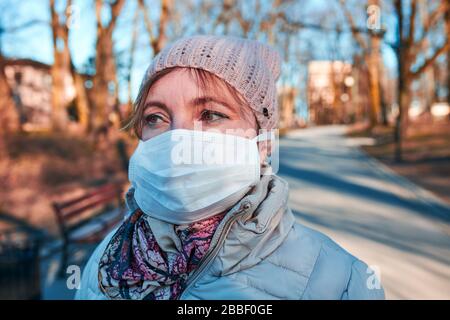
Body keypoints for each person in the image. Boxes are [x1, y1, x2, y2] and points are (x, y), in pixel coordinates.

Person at [75, 34, 385, 300]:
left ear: (263, 143)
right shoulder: (107, 258)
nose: (177, 139)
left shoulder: (343, 282)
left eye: (210, 114)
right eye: (155, 117)